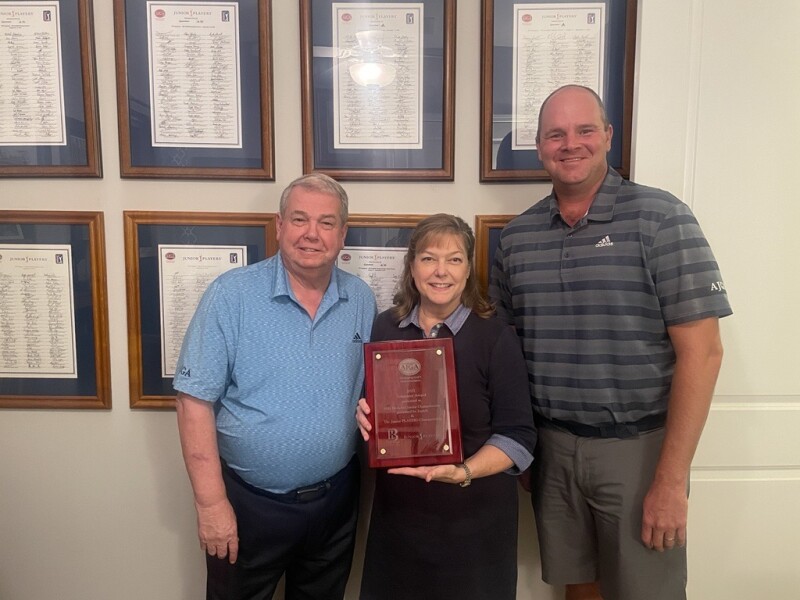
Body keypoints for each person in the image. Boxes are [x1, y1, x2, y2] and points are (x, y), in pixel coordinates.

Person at [489, 84, 732, 600]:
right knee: (577, 586)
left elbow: (704, 352)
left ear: (608, 136)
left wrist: (670, 481)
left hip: (639, 451)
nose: (570, 144)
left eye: (584, 130)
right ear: (539, 146)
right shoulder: (516, 238)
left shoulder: (661, 218)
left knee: (647, 591)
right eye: (556, 134)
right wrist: (524, 450)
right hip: (552, 449)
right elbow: (507, 352)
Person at [173, 173, 377, 600]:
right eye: (299, 219)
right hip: (250, 505)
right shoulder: (232, 295)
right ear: (279, 225)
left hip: (336, 501)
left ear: (343, 233)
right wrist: (211, 506)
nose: (311, 234)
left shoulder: (360, 298)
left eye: (326, 223)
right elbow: (193, 402)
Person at [357, 214, 537, 600]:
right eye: (428, 258)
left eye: (454, 259)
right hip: (399, 521)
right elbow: (373, 409)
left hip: (474, 526)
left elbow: (519, 437)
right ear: (412, 265)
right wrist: (364, 415)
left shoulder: (495, 336)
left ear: (469, 268)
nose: (441, 271)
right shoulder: (385, 327)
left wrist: (463, 471)